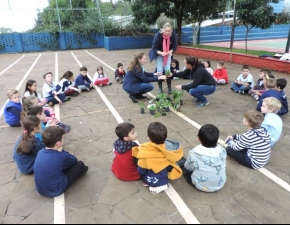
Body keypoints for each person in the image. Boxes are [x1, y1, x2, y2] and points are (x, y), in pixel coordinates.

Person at [34, 126, 88, 198]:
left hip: (40, 189)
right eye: (63, 138)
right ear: (58, 143)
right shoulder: (61, 155)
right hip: (56, 190)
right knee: (80, 165)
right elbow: (74, 160)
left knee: (58, 166)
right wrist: (61, 150)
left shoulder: (40, 152)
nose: (64, 139)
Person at [132, 122, 183, 194]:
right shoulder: (170, 148)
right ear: (165, 137)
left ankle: (164, 185)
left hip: (152, 180)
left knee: (143, 169)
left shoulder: (144, 151)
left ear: (148, 138)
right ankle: (163, 183)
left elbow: (141, 170)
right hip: (164, 176)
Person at [183, 124, 227, 192]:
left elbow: (188, 167)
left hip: (201, 185)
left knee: (184, 166)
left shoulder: (194, 153)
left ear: (198, 138)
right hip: (220, 184)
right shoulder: (222, 150)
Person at [149, 23, 177, 94]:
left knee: (168, 70)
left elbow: (174, 46)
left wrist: (171, 51)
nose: (167, 33)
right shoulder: (158, 35)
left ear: (171, 31)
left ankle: (169, 88)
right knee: (160, 70)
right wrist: (161, 53)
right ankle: (160, 88)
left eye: (169, 31)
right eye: (166, 31)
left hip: (167, 54)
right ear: (163, 30)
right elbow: (154, 48)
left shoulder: (173, 35)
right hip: (159, 53)